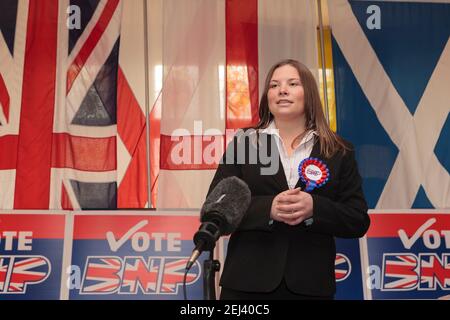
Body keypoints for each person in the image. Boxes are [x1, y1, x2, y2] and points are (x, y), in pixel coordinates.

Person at [207, 59, 370, 300]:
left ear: (309, 94)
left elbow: (357, 219)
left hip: (310, 286)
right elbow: (215, 207)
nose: (282, 90)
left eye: (292, 83)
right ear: (267, 96)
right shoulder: (244, 142)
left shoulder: (338, 150)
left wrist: (315, 208)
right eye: (274, 85)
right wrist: (267, 209)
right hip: (246, 284)